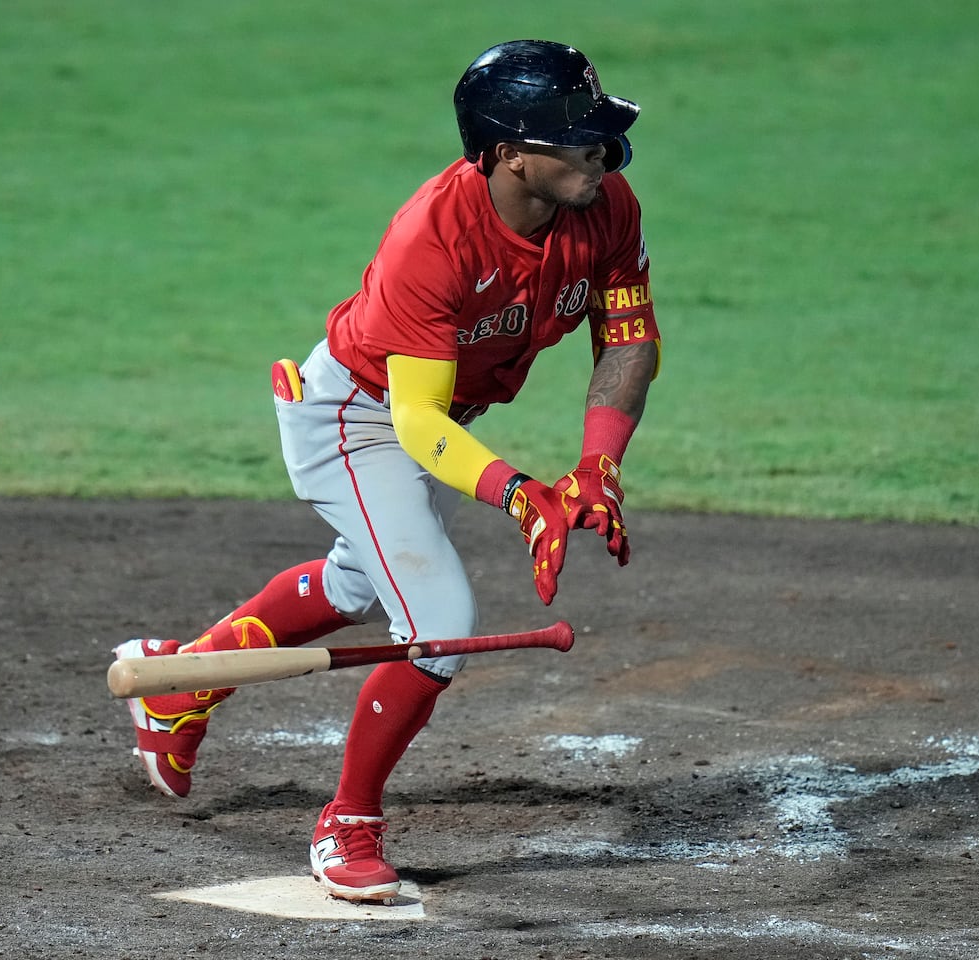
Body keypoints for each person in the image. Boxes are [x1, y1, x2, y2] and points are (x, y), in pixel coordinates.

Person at [114, 39, 660, 903]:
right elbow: (413, 420)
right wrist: (522, 497)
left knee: (359, 581)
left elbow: (627, 334)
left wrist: (599, 467)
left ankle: (184, 683)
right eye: (575, 135)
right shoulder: (433, 239)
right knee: (437, 617)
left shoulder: (606, 206)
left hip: (436, 421)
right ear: (509, 152)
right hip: (357, 420)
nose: (602, 150)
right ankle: (348, 826)